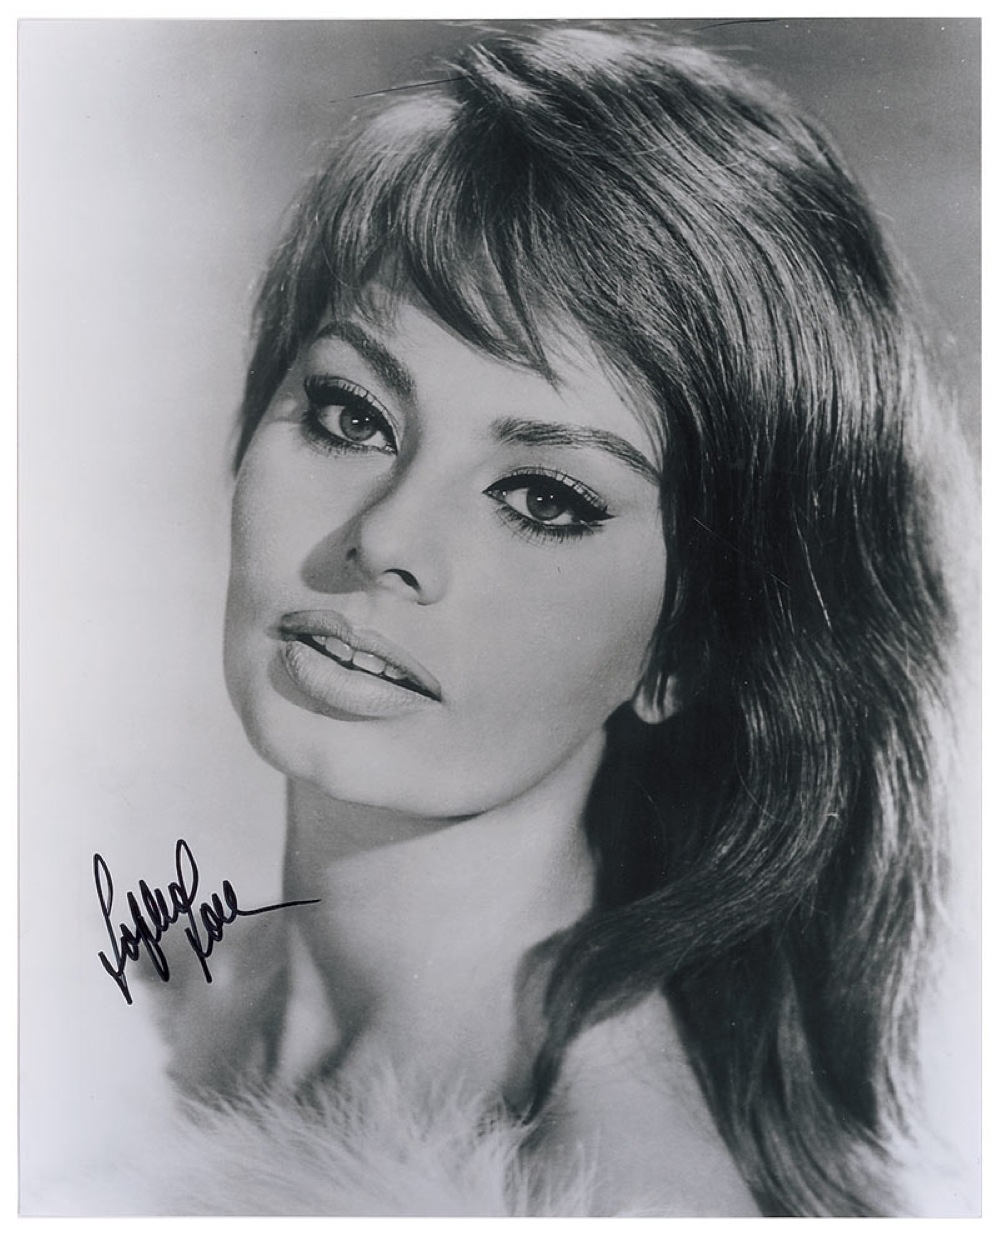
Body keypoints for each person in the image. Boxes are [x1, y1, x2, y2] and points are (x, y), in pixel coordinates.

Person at [145, 23, 970, 1217]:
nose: (386, 539)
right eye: (352, 415)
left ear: (690, 644)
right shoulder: (134, 1011)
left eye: (542, 498)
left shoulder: (619, 1200)